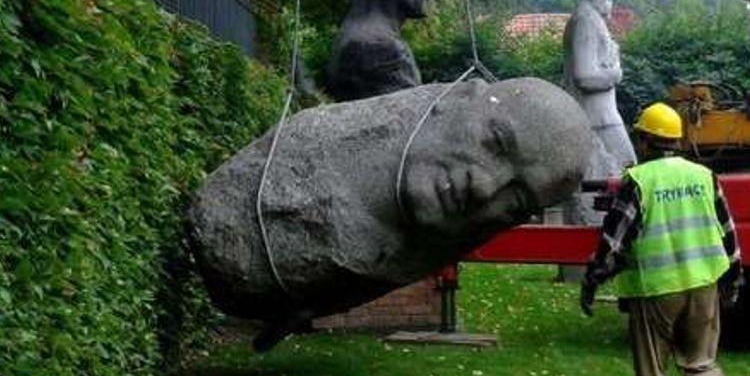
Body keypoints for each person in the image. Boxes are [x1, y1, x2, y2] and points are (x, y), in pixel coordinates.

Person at [188, 77, 593, 348]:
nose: (486, 187)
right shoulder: (311, 152)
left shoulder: (382, 263)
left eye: (516, 200)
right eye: (496, 142)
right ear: (457, 98)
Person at [579, 102, 750, 376]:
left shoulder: (639, 180)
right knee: (701, 363)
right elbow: (727, 231)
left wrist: (593, 280)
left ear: (646, 141)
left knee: (653, 370)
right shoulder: (703, 175)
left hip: (656, 289)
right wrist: (734, 277)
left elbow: (614, 241)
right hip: (704, 283)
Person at [563, 0, 636, 171]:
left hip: (598, 115)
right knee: (626, 169)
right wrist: (615, 75)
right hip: (597, 118)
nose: (611, 0)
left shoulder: (590, 19)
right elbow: (584, 77)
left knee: (605, 173)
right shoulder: (586, 20)